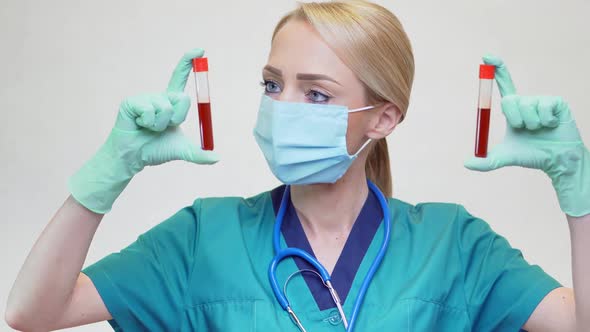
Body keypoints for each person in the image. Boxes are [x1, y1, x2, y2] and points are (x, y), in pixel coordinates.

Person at [5, 1, 590, 331]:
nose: (282, 109)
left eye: (315, 94)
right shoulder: (203, 237)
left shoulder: (454, 245)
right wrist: (109, 169)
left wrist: (577, 190)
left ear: (383, 118)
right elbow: (32, 312)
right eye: (272, 84)